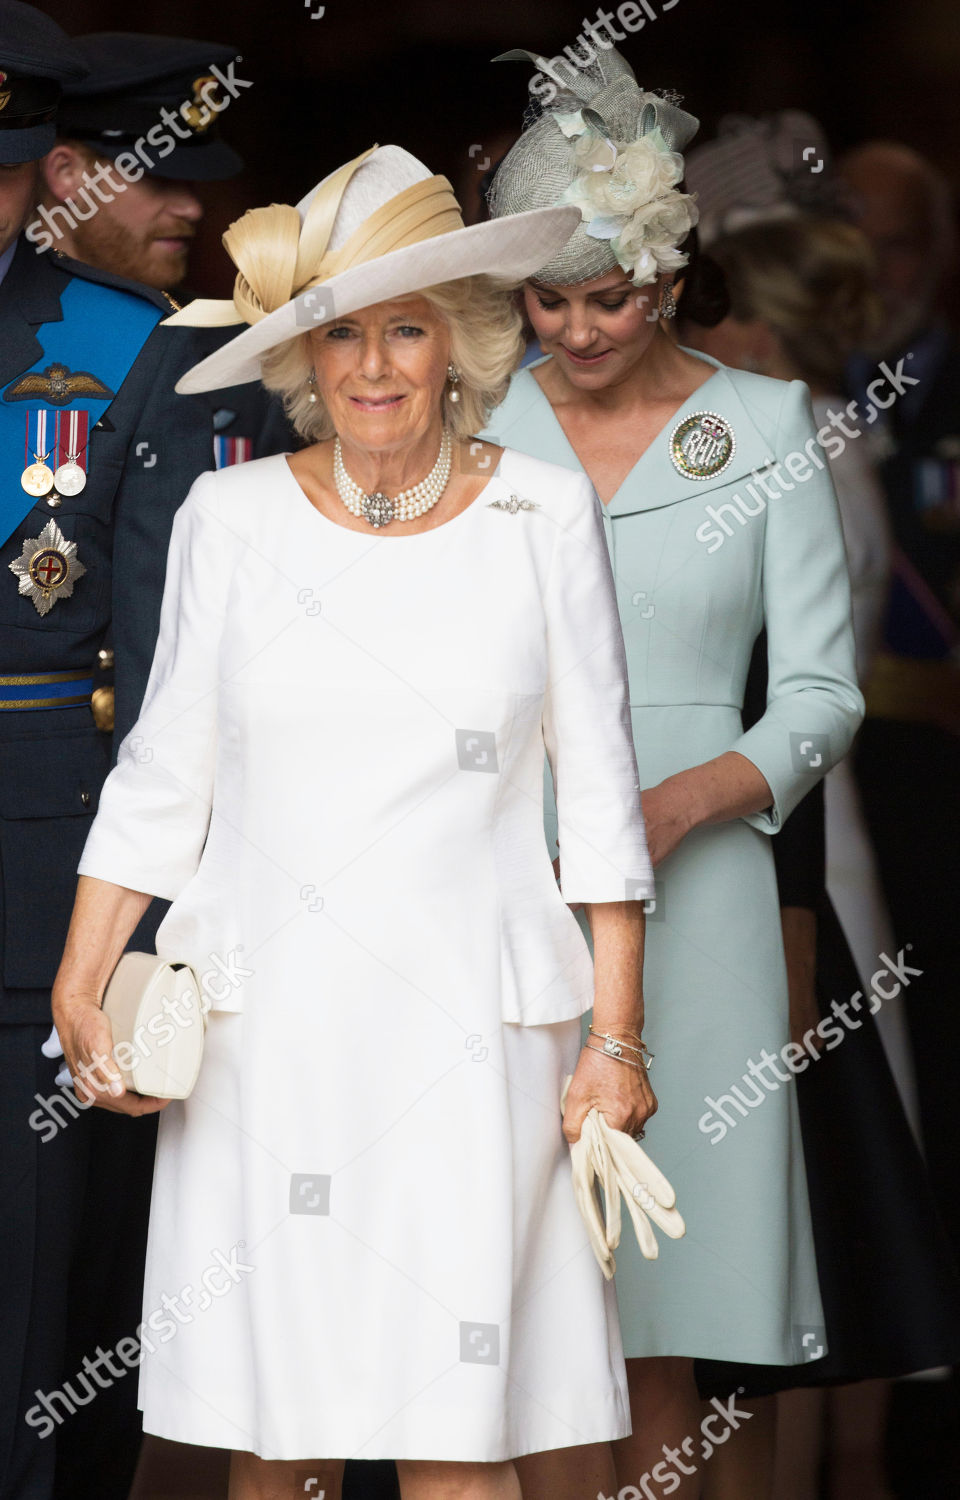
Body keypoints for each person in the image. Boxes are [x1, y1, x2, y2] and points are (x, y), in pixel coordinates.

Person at [51, 142, 659, 1500]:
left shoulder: (542, 512)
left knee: (461, 1449)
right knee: (283, 1450)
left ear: (463, 347)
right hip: (271, 1041)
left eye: (406, 331)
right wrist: (83, 978)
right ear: (303, 360)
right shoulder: (231, 516)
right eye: (341, 336)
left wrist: (616, 1037)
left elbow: (603, 793)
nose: (374, 367)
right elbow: (164, 774)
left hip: (475, 1048)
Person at [479, 46, 863, 1500]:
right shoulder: (473, 430)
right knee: (509, 1292)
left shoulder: (766, 429)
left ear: (670, 274)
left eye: (613, 297)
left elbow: (825, 694)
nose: (580, 331)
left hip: (699, 913)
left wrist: (684, 800)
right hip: (500, 892)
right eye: (551, 300)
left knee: (668, 1304)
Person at [0, 8, 291, 1499]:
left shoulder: (137, 355)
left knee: (38, 1291)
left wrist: (151, 926)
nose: (195, 212)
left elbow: (185, 678)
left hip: (40, 871)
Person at [838, 141, 960, 1265]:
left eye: (902, 243)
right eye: (854, 243)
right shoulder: (807, 406)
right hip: (836, 769)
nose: (879, 270)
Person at [35, 31, 246, 291]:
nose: (192, 209)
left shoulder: (201, 327)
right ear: (66, 173)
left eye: (191, 181)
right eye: (158, 178)